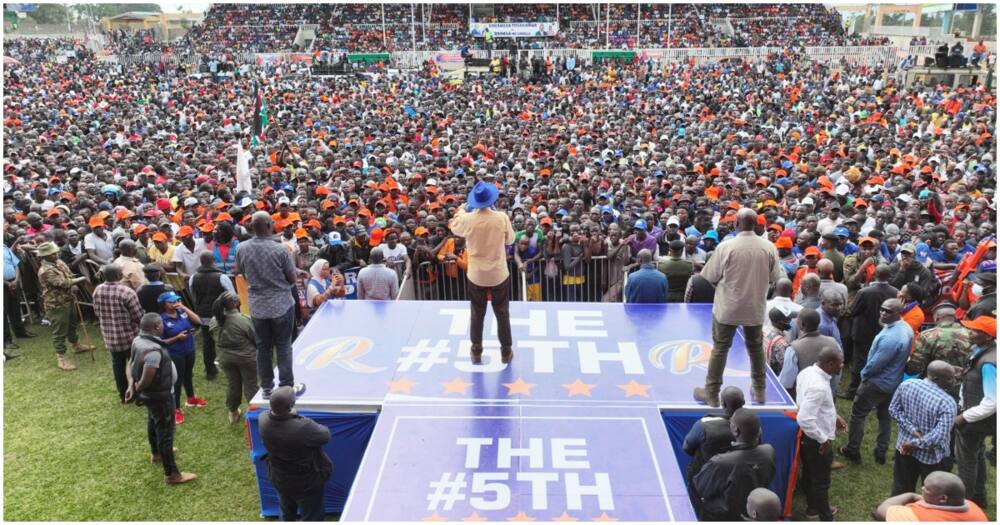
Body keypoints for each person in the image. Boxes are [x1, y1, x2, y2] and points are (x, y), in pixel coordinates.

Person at [695, 209, 784, 407]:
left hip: (728, 307)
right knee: (755, 348)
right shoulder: (769, 247)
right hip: (755, 307)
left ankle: (711, 392)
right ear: (756, 225)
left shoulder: (726, 246)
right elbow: (776, 279)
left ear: (736, 224)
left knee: (720, 349)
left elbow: (708, 277)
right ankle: (760, 390)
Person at [234, 211, 303, 399]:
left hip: (257, 306)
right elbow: (292, 277)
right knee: (283, 346)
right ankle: (286, 386)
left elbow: (239, 271)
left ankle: (266, 387)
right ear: (267, 225)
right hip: (281, 304)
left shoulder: (242, 248)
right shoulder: (280, 249)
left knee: (263, 347)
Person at [448, 181, 516, 365]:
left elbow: (453, 226)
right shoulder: (501, 218)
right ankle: (506, 351)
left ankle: (476, 350)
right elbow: (511, 239)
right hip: (498, 272)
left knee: (477, 313)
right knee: (502, 313)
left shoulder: (467, 219)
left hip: (476, 274)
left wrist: (462, 210)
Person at [125, 313, 197, 485]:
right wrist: (137, 388)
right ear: (157, 327)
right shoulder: (153, 352)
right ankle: (172, 474)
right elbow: (147, 376)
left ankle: (156, 453)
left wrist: (131, 385)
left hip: (151, 396)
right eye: (161, 324)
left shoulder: (139, 341)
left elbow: (130, 362)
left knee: (153, 421)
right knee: (166, 432)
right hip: (160, 395)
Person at [841, 298, 913, 465]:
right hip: (892, 382)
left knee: (858, 415)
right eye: (882, 309)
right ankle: (881, 452)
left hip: (876, 383)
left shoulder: (892, 337)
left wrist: (864, 375)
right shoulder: (904, 328)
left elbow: (876, 364)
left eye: (888, 311)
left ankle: (853, 450)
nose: (883, 313)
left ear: (898, 313)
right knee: (884, 417)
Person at [259, 386, 333, 522]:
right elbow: (325, 435)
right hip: (306, 483)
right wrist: (296, 416)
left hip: (280, 478)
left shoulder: (263, 419)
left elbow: (272, 415)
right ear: (290, 407)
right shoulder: (302, 427)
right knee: (312, 516)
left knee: (286, 512)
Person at [692, 409, 777, 521]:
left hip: (724, 517)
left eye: (731, 423)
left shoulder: (720, 462)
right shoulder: (769, 451)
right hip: (754, 512)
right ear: (759, 431)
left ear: (735, 430)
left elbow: (700, 487)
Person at [888, 361, 958, 496]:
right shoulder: (947, 402)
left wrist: (911, 432)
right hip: (933, 457)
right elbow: (940, 436)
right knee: (933, 495)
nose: (954, 381)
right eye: (950, 378)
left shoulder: (907, 385)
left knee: (901, 489)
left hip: (904, 448)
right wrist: (916, 443)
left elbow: (894, 410)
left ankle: (896, 514)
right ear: (936, 378)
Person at [796, 347, 848, 521]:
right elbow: (805, 418)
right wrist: (823, 440)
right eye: (841, 362)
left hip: (808, 438)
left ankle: (812, 508)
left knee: (811, 474)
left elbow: (815, 405)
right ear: (830, 363)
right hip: (815, 440)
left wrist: (835, 417)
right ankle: (825, 516)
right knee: (821, 481)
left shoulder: (808, 372)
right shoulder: (819, 386)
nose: (843, 365)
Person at [954, 315, 995, 509]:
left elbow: (993, 401)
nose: (969, 332)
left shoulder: (988, 363)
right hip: (976, 415)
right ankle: (979, 497)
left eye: (975, 330)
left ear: (988, 337)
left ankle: (964, 504)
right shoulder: (982, 350)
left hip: (975, 419)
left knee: (966, 461)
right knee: (977, 455)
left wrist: (964, 417)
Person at [842, 265, 899, 400]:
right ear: (889, 276)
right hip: (884, 333)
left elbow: (852, 311)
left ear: (874, 275)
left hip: (863, 333)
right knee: (878, 362)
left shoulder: (864, 292)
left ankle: (853, 391)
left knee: (859, 362)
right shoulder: (895, 292)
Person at [36, 241, 94, 371]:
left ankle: (76, 345)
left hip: (68, 299)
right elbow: (62, 283)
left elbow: (69, 275)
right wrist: (80, 280)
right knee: (60, 331)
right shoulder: (45, 270)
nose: (55, 254)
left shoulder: (59, 262)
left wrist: (73, 283)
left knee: (72, 324)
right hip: (56, 304)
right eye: (52, 254)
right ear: (45, 256)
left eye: (55, 252)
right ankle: (61, 358)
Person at [93, 263, 144, 403]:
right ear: (119, 275)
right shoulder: (127, 292)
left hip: (110, 336)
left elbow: (97, 312)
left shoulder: (97, 290)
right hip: (129, 336)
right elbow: (138, 316)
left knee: (117, 364)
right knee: (135, 364)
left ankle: (123, 394)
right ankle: (138, 395)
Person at [209, 292, 258, 425]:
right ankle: (255, 412)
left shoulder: (215, 320)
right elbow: (255, 339)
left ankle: (233, 412)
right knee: (251, 385)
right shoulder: (243, 319)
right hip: (246, 358)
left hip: (225, 358)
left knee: (233, 385)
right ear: (236, 303)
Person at [682, 387, 745, 486]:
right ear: (744, 402)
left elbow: (687, 447)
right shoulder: (753, 426)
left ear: (723, 404)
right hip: (738, 480)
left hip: (705, 480)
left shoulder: (704, 424)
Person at [159, 291, 206, 424]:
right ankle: (175, 409)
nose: (175, 303)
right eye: (171, 302)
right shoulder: (162, 319)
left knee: (188, 375)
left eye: (176, 301)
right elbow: (161, 342)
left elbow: (198, 321)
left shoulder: (182, 312)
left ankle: (191, 399)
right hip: (175, 353)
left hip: (189, 350)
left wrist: (184, 307)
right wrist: (176, 338)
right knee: (177, 381)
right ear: (164, 304)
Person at [189, 251, 234, 380]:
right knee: (226, 342)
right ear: (213, 261)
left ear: (201, 262)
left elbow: (193, 295)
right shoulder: (222, 277)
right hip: (221, 315)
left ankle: (210, 371)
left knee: (207, 343)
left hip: (203, 315)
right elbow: (232, 295)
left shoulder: (194, 277)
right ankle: (230, 369)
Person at [873, 471, 987, 521]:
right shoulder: (976, 510)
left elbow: (881, 510)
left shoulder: (915, 517)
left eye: (927, 489)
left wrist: (911, 495)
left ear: (943, 498)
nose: (922, 489)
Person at [778, 308, 841, 397]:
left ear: (802, 325)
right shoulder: (833, 342)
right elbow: (838, 372)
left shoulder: (794, 348)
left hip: (803, 398)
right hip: (827, 394)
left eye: (797, 320)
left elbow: (786, 382)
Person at [906, 303, 972, 385]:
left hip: (935, 384)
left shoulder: (928, 335)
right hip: (964, 385)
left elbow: (915, 367)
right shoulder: (970, 334)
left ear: (936, 318)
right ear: (955, 317)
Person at [3, 238, 34, 354]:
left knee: (15, 308)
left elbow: (15, 264)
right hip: (4, 284)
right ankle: (6, 340)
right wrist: (6, 283)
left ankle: (20, 332)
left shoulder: (5, 247)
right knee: (3, 311)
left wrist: (15, 280)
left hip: (13, 281)